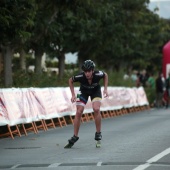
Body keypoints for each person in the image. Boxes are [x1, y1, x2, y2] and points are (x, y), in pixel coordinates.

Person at [65, 59, 109, 148]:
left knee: (96, 109)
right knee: (79, 111)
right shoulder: (81, 76)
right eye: (85, 71)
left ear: (93, 70)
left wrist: (105, 89)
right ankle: (75, 136)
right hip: (83, 91)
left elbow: (105, 75)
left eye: (89, 71)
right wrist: (73, 94)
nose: (87, 74)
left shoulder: (97, 74)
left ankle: (98, 133)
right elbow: (70, 80)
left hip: (95, 91)